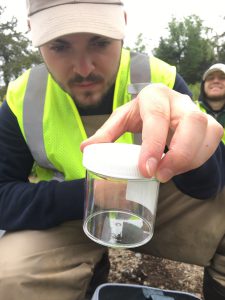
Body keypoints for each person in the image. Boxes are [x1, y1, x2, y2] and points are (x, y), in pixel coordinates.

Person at [0, 0, 224, 299]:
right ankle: (89, 272)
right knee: (11, 279)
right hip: (66, 216)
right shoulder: (21, 96)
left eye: (100, 42)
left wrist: (195, 155)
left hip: (151, 203)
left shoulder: (160, 77)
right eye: (60, 46)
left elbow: (209, 186)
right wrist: (91, 194)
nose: (84, 68)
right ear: (34, 34)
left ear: (123, 26)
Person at [196, 63, 225, 143]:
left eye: (222, 78)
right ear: (203, 85)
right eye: (210, 78)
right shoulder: (189, 109)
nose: (215, 81)